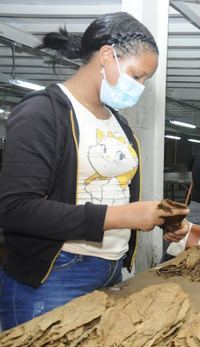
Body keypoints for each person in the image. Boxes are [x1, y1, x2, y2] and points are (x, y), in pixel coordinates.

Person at [0, 13, 190, 329]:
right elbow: (16, 209)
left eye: (145, 81)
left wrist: (159, 220)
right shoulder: (42, 113)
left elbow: (113, 191)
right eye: (137, 76)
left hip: (112, 267)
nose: (140, 88)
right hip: (55, 275)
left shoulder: (119, 123)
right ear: (106, 56)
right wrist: (123, 217)